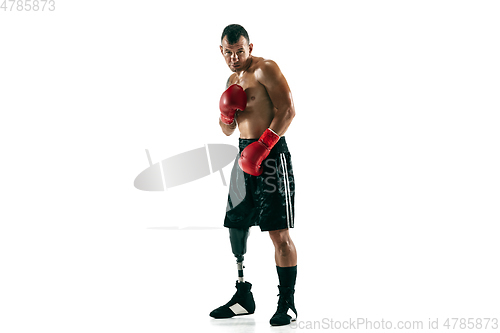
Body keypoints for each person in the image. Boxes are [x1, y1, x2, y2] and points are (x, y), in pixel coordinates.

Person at [209, 24, 297, 327]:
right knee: (236, 225)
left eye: (240, 51)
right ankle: (243, 297)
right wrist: (224, 115)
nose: (234, 58)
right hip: (243, 154)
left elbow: (287, 110)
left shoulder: (265, 69)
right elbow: (228, 129)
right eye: (229, 52)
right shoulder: (232, 80)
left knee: (278, 231)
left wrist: (264, 145)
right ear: (221, 51)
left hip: (271, 155)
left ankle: (287, 303)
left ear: (250, 47)